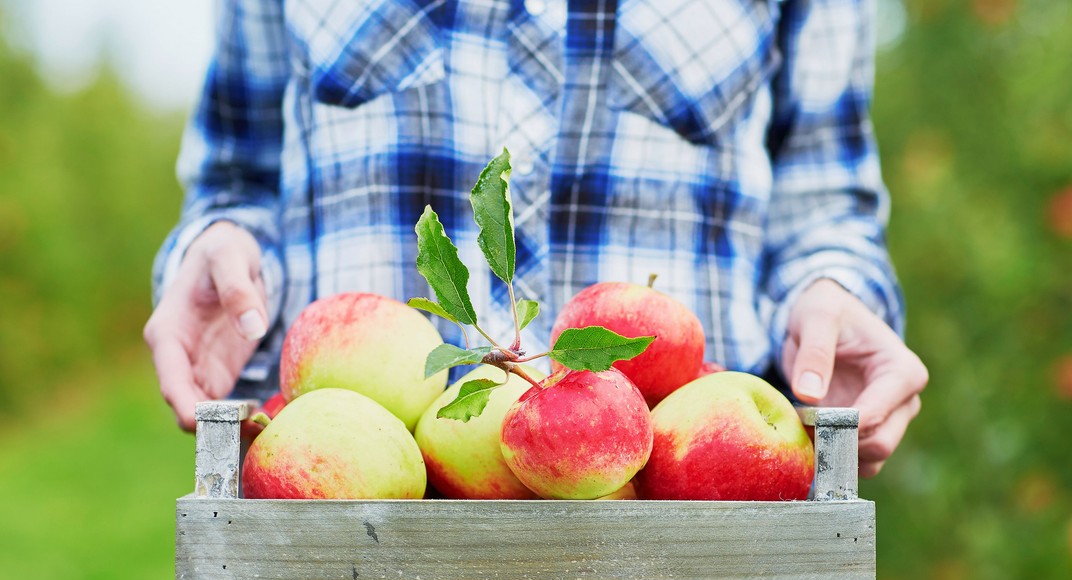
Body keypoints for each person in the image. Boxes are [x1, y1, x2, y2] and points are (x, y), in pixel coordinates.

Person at [144, 0, 927, 477]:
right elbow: (236, 177)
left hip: (689, 550)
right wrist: (217, 253)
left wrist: (833, 295)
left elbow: (824, 201)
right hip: (344, 549)